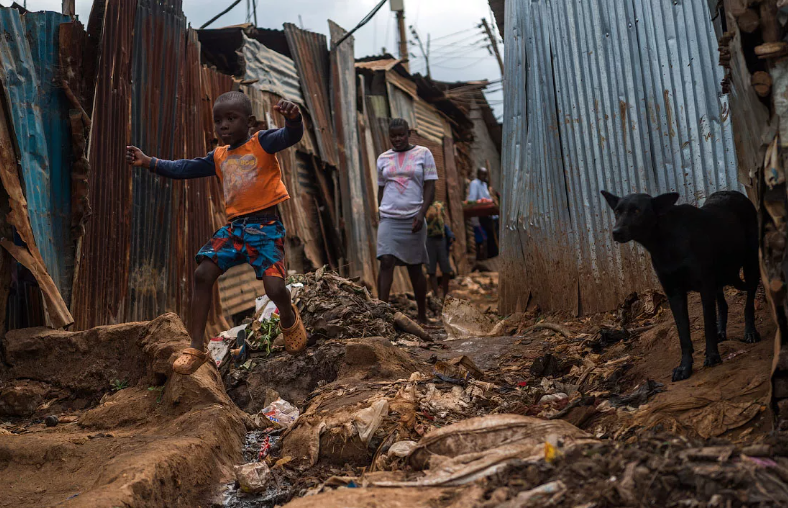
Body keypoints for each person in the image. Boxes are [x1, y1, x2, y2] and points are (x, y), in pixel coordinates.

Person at [126, 92, 308, 375]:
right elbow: (184, 168)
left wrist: (294, 118)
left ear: (248, 122)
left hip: (266, 229)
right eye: (218, 120)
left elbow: (290, 136)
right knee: (203, 273)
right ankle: (196, 346)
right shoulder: (219, 156)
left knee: (274, 289)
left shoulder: (261, 142)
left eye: (231, 119)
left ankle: (288, 315)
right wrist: (149, 161)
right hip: (236, 230)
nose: (223, 125)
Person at [376, 118, 437, 323]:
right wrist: (380, 210)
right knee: (385, 260)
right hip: (389, 217)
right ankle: (381, 314)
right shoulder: (383, 158)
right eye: (393, 136)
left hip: (414, 217)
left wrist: (421, 213)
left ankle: (422, 315)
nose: (397, 139)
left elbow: (430, 186)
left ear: (408, 133)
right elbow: (381, 188)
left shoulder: (424, 153)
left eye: (401, 134)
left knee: (414, 266)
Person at [425, 200, 453, 299]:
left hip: (441, 239)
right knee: (431, 270)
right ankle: (436, 294)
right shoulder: (422, 206)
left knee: (446, 269)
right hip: (429, 239)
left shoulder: (439, 206)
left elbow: (443, 223)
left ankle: (445, 294)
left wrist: (450, 235)